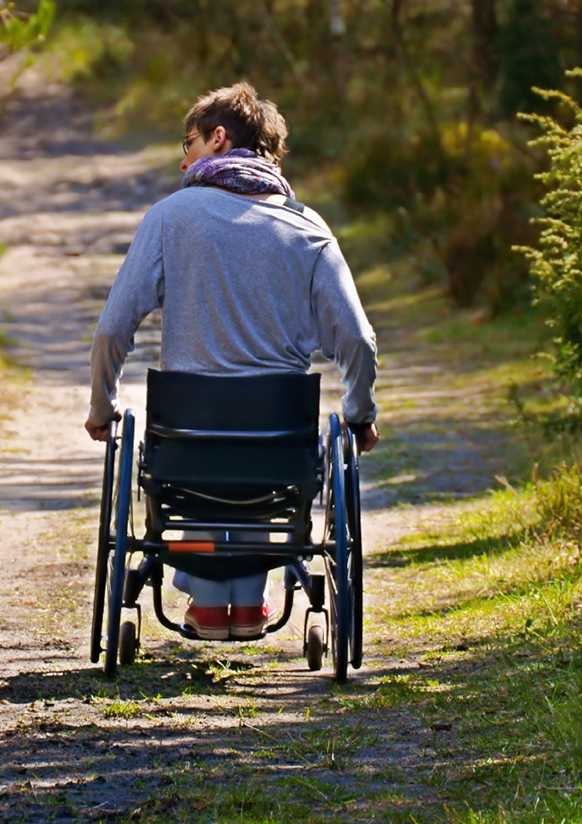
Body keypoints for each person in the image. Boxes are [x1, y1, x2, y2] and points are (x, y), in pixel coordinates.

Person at [85, 82, 379, 640]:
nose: (183, 156)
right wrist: (359, 415)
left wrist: (104, 407)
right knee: (261, 475)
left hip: (186, 453)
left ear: (219, 139)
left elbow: (111, 330)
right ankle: (249, 604)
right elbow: (359, 342)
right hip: (279, 458)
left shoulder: (170, 218)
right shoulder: (308, 229)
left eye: (190, 141)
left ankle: (209, 602)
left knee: (196, 470)